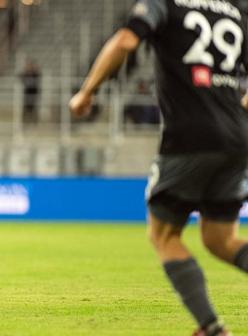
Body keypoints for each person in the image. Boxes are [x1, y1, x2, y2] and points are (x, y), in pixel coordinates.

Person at [69, 1, 248, 335]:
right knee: (220, 239)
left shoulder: (165, 3)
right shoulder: (234, 12)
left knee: (163, 234)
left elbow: (124, 41)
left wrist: (86, 92)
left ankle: (211, 328)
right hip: (238, 136)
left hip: (189, 135)